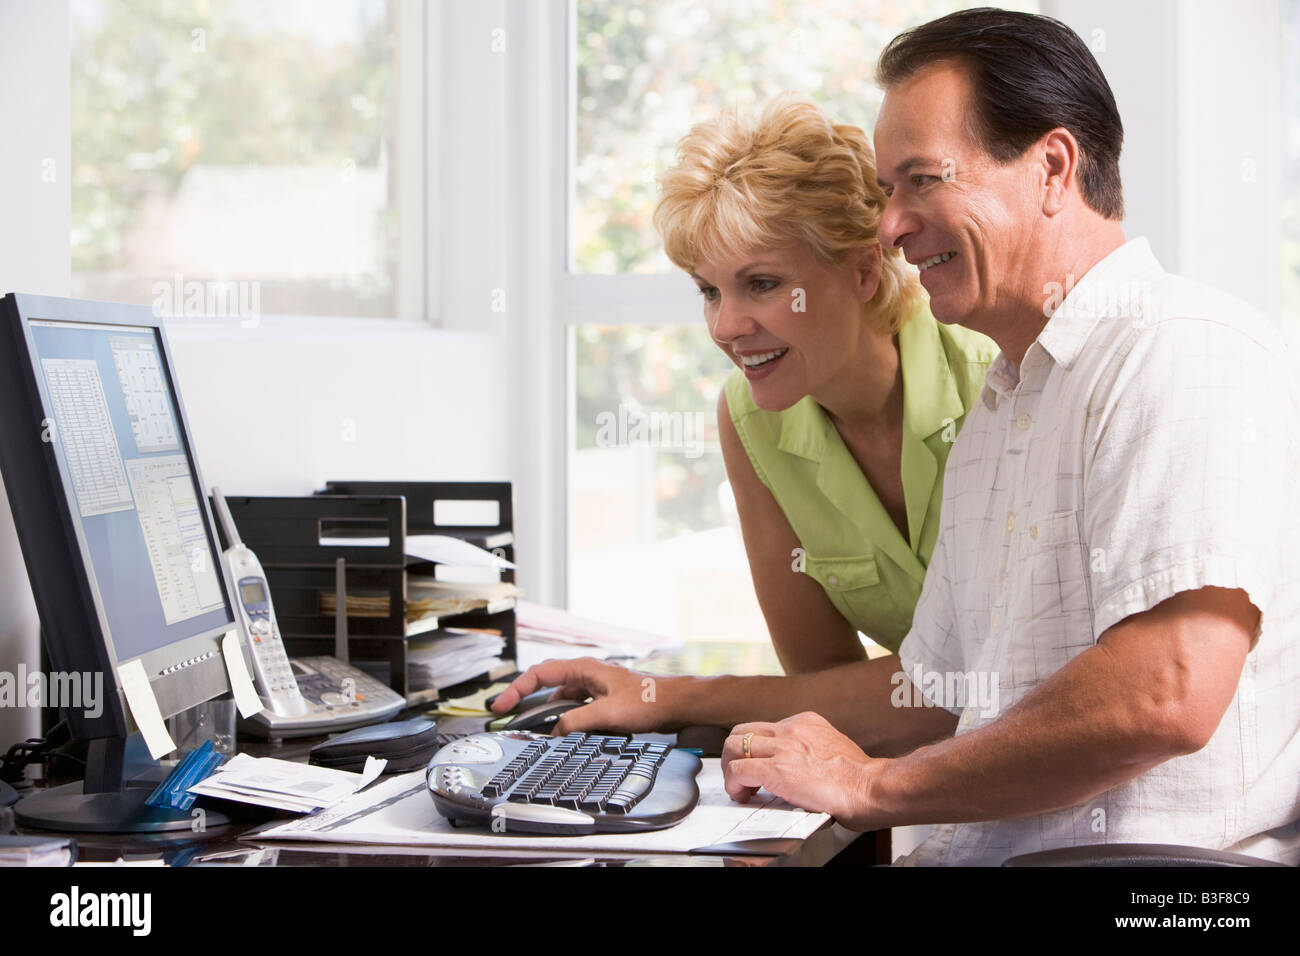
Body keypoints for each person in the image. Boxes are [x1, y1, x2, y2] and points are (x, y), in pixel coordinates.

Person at [497, 8, 1300, 866]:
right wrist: (692, 705)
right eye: (887, 192)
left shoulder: (1181, 349)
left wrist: (871, 788)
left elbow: (1164, 694)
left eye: (921, 181)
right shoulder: (1008, 402)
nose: (888, 225)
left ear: (1052, 169)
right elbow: (931, 689)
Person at [493, 94, 994, 724]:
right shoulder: (753, 419)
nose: (726, 327)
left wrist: (667, 697)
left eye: (762, 284)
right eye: (708, 290)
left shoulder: (995, 384)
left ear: (865, 272)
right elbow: (822, 692)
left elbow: (988, 685)